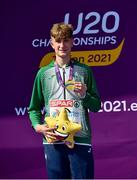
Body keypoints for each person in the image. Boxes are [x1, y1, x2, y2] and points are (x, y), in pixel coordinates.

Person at [28, 22, 101, 179]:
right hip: (53, 139)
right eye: (58, 41)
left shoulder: (84, 71)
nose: (62, 45)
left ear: (72, 42)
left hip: (80, 139)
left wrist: (84, 95)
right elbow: (34, 108)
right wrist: (37, 126)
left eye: (66, 40)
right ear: (52, 43)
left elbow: (96, 106)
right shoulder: (43, 73)